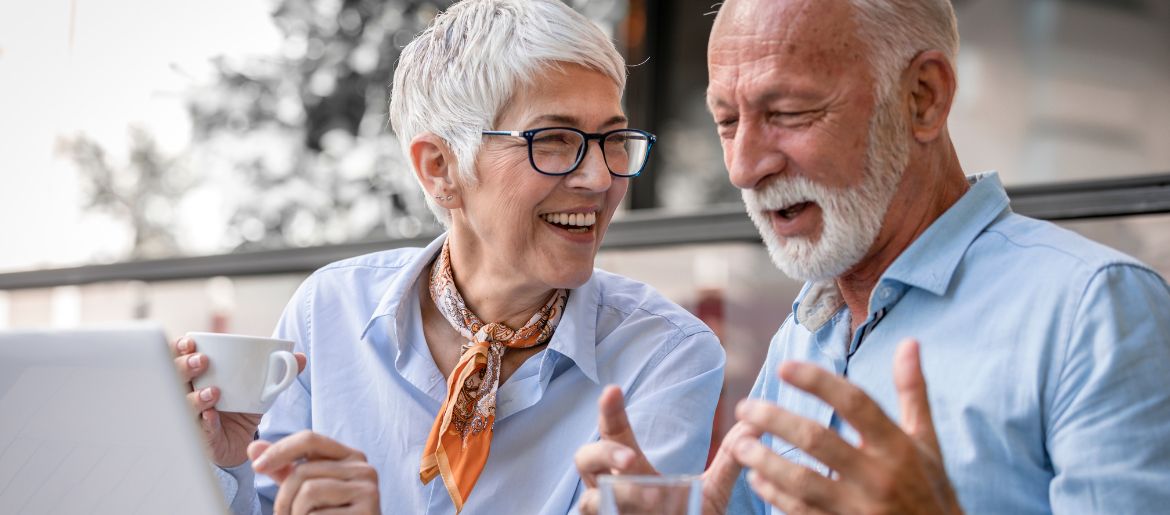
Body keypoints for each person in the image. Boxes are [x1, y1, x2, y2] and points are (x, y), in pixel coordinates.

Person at [575, 0, 1170, 513]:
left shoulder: (1095, 310)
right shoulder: (806, 330)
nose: (744, 167)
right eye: (728, 122)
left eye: (788, 113)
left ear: (924, 98)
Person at [171, 1, 725, 513]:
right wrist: (222, 465)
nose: (600, 177)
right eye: (554, 140)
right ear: (439, 167)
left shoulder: (666, 356)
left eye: (612, 138)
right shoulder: (328, 312)